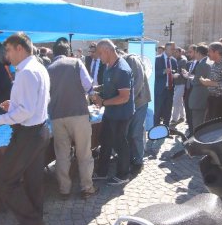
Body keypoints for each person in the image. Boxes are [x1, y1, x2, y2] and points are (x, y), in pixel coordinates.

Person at [0, 32, 50, 225]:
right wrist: (15, 104)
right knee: (33, 180)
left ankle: (33, 223)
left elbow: (26, 112)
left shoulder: (27, 72)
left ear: (20, 48)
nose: (6, 55)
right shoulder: (37, 67)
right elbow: (36, 102)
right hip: (38, 131)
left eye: (9, 50)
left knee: (5, 180)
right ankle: (34, 222)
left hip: (28, 133)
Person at [47, 41, 98, 199]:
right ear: (68, 51)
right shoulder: (76, 62)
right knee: (84, 152)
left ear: (54, 53)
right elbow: (88, 86)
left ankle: (64, 189)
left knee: (62, 154)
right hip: (78, 114)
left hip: (56, 116)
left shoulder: (48, 69)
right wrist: (95, 98)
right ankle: (87, 188)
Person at [91, 39, 134, 185]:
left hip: (121, 114)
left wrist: (103, 102)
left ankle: (123, 174)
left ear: (107, 51)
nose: (98, 57)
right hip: (110, 113)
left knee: (120, 143)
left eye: (100, 54)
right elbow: (110, 84)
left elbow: (124, 97)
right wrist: (97, 89)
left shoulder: (122, 69)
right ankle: (102, 172)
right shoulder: (110, 65)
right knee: (105, 141)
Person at [121, 50, 151, 174]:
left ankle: (138, 161)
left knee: (136, 133)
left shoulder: (131, 60)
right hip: (129, 102)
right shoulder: (120, 62)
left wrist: (127, 100)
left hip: (139, 102)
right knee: (128, 133)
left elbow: (138, 83)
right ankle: (130, 158)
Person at [200, 42, 222, 121]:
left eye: (209, 51)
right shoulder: (214, 63)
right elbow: (215, 80)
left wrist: (210, 83)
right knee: (208, 125)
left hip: (221, 101)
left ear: (216, 52)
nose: (208, 53)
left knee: (218, 128)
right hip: (212, 99)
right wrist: (207, 81)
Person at [185, 44, 211, 131]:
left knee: (197, 123)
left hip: (199, 97)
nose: (194, 55)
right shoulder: (209, 62)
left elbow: (197, 82)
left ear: (199, 53)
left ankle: (197, 141)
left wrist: (190, 78)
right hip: (205, 96)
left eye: (195, 52)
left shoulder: (201, 64)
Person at [154, 42, 178, 126]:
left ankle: (166, 130)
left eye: (174, 49)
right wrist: (163, 71)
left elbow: (175, 72)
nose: (174, 51)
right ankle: (155, 131)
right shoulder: (157, 59)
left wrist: (175, 76)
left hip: (170, 90)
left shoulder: (174, 61)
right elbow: (153, 73)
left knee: (168, 111)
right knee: (157, 111)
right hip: (160, 90)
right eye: (172, 49)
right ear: (166, 49)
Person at [170, 47, 187, 125]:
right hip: (175, 83)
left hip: (181, 83)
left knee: (176, 100)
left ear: (180, 53)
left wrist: (177, 75)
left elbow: (184, 72)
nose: (175, 53)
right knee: (179, 101)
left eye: (177, 52)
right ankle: (182, 116)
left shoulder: (183, 60)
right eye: (174, 52)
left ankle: (174, 119)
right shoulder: (173, 60)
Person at [182, 44, 197, 134]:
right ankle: (190, 129)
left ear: (196, 52)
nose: (188, 53)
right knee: (187, 110)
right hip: (188, 89)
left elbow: (197, 77)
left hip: (194, 91)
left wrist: (188, 75)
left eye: (190, 51)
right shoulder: (190, 63)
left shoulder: (200, 63)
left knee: (192, 112)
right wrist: (186, 74)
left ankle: (193, 131)